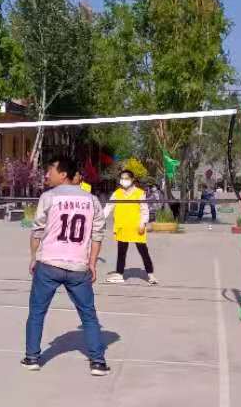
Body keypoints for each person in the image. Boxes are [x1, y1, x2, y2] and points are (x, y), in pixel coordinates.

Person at [23, 155, 110, 376]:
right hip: (78, 266)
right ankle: (97, 361)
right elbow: (97, 235)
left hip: (49, 263)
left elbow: (37, 231)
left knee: (37, 312)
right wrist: (92, 263)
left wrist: (34, 257)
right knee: (88, 315)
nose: (47, 175)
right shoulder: (91, 200)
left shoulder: (49, 197)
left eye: (50, 171)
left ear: (63, 174)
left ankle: (32, 357)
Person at [104, 169, 156, 284]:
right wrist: (100, 219)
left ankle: (150, 274)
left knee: (143, 251)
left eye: (126, 178)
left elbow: (144, 210)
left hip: (136, 227)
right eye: (122, 178)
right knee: (121, 252)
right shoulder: (117, 193)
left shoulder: (139, 193)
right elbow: (108, 207)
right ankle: (119, 274)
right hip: (122, 227)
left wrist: (143, 223)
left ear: (132, 179)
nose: (124, 180)